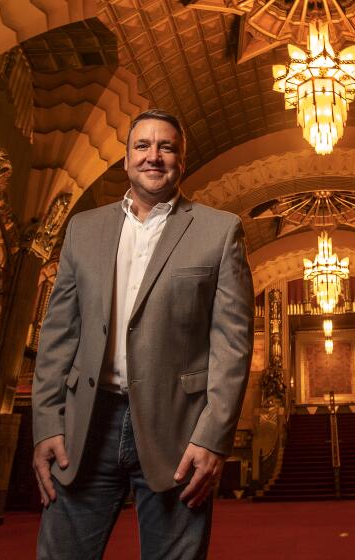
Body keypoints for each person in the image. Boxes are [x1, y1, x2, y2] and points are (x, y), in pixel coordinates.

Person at [31, 109, 254, 559]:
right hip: (86, 426)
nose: (154, 156)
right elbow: (58, 334)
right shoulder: (83, 229)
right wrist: (46, 423)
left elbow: (232, 346)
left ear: (182, 161)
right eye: (143, 146)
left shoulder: (219, 229)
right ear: (127, 159)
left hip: (178, 430)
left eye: (166, 147)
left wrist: (213, 437)